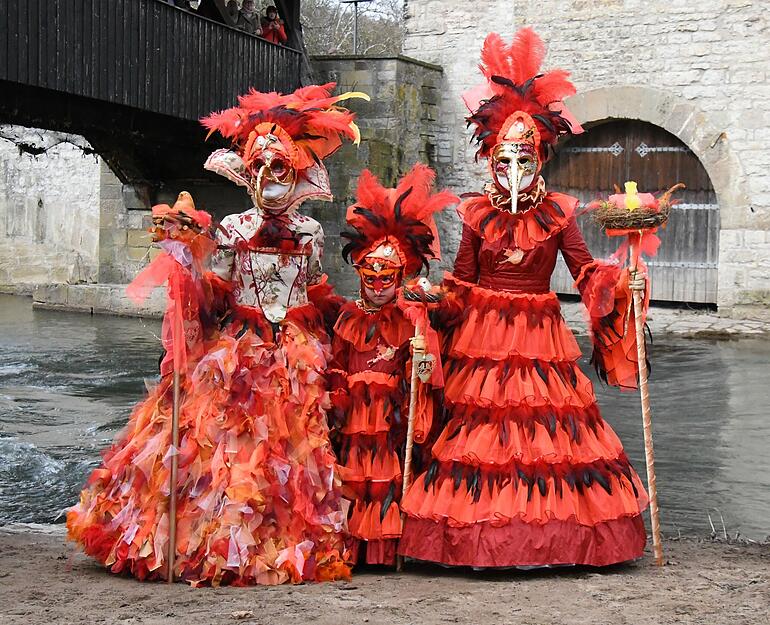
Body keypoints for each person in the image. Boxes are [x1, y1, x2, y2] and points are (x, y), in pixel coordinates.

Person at [66, 83, 369, 586]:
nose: (271, 179)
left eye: (281, 168)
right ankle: (219, 543)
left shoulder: (311, 232)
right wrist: (186, 269)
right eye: (261, 168)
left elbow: (317, 291)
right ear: (246, 172)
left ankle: (286, 541)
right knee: (230, 449)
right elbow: (217, 296)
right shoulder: (232, 228)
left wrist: (361, 314)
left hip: (297, 349)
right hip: (242, 350)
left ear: (297, 173)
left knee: (296, 450)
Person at [398, 29, 651, 568]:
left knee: (545, 428)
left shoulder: (559, 210)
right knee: (481, 431)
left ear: (540, 158)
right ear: (492, 159)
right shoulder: (474, 213)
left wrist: (619, 282)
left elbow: (583, 272)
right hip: (483, 334)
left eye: (525, 160)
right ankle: (480, 536)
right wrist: (429, 300)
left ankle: (554, 538)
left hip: (538, 333)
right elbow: (463, 280)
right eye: (505, 160)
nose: (515, 171)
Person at [328, 164, 457, 566]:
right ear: (359, 270)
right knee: (353, 478)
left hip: (391, 418)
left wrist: (419, 366)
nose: (378, 282)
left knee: (388, 476)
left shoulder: (411, 318)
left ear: (404, 274)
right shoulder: (348, 315)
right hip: (353, 418)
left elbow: (427, 368)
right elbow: (335, 362)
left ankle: (386, 548)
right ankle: (353, 546)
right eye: (371, 273)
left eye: (388, 276)